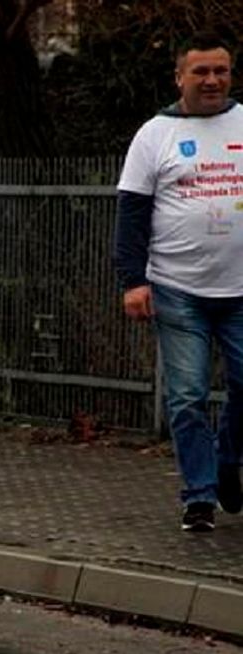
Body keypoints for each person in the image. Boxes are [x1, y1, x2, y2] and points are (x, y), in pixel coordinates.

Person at [113, 31, 243, 533]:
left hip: (239, 290)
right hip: (177, 289)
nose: (212, 81)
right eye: (201, 72)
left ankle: (228, 459)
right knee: (187, 396)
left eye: (221, 71)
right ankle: (199, 495)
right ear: (179, 76)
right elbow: (131, 215)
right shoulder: (154, 135)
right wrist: (132, 280)